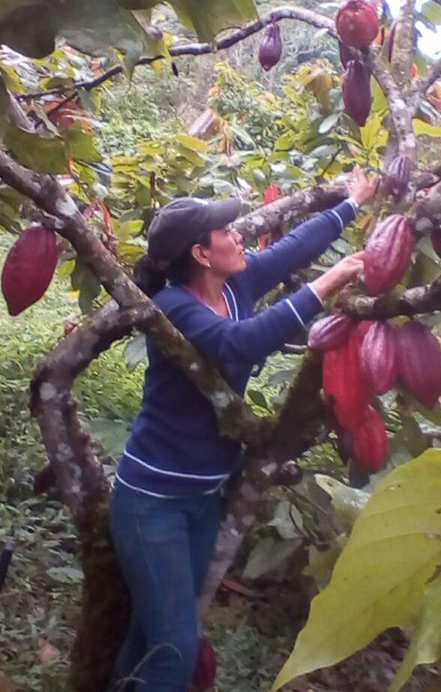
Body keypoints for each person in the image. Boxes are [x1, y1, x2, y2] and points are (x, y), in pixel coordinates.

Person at [109, 169, 378, 692]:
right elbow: (239, 345)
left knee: (153, 629)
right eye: (227, 233)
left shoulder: (237, 282)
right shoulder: (174, 308)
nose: (241, 236)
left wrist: (351, 204)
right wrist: (329, 283)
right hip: (153, 501)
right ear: (201, 255)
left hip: (203, 497)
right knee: (175, 651)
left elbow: (296, 247)